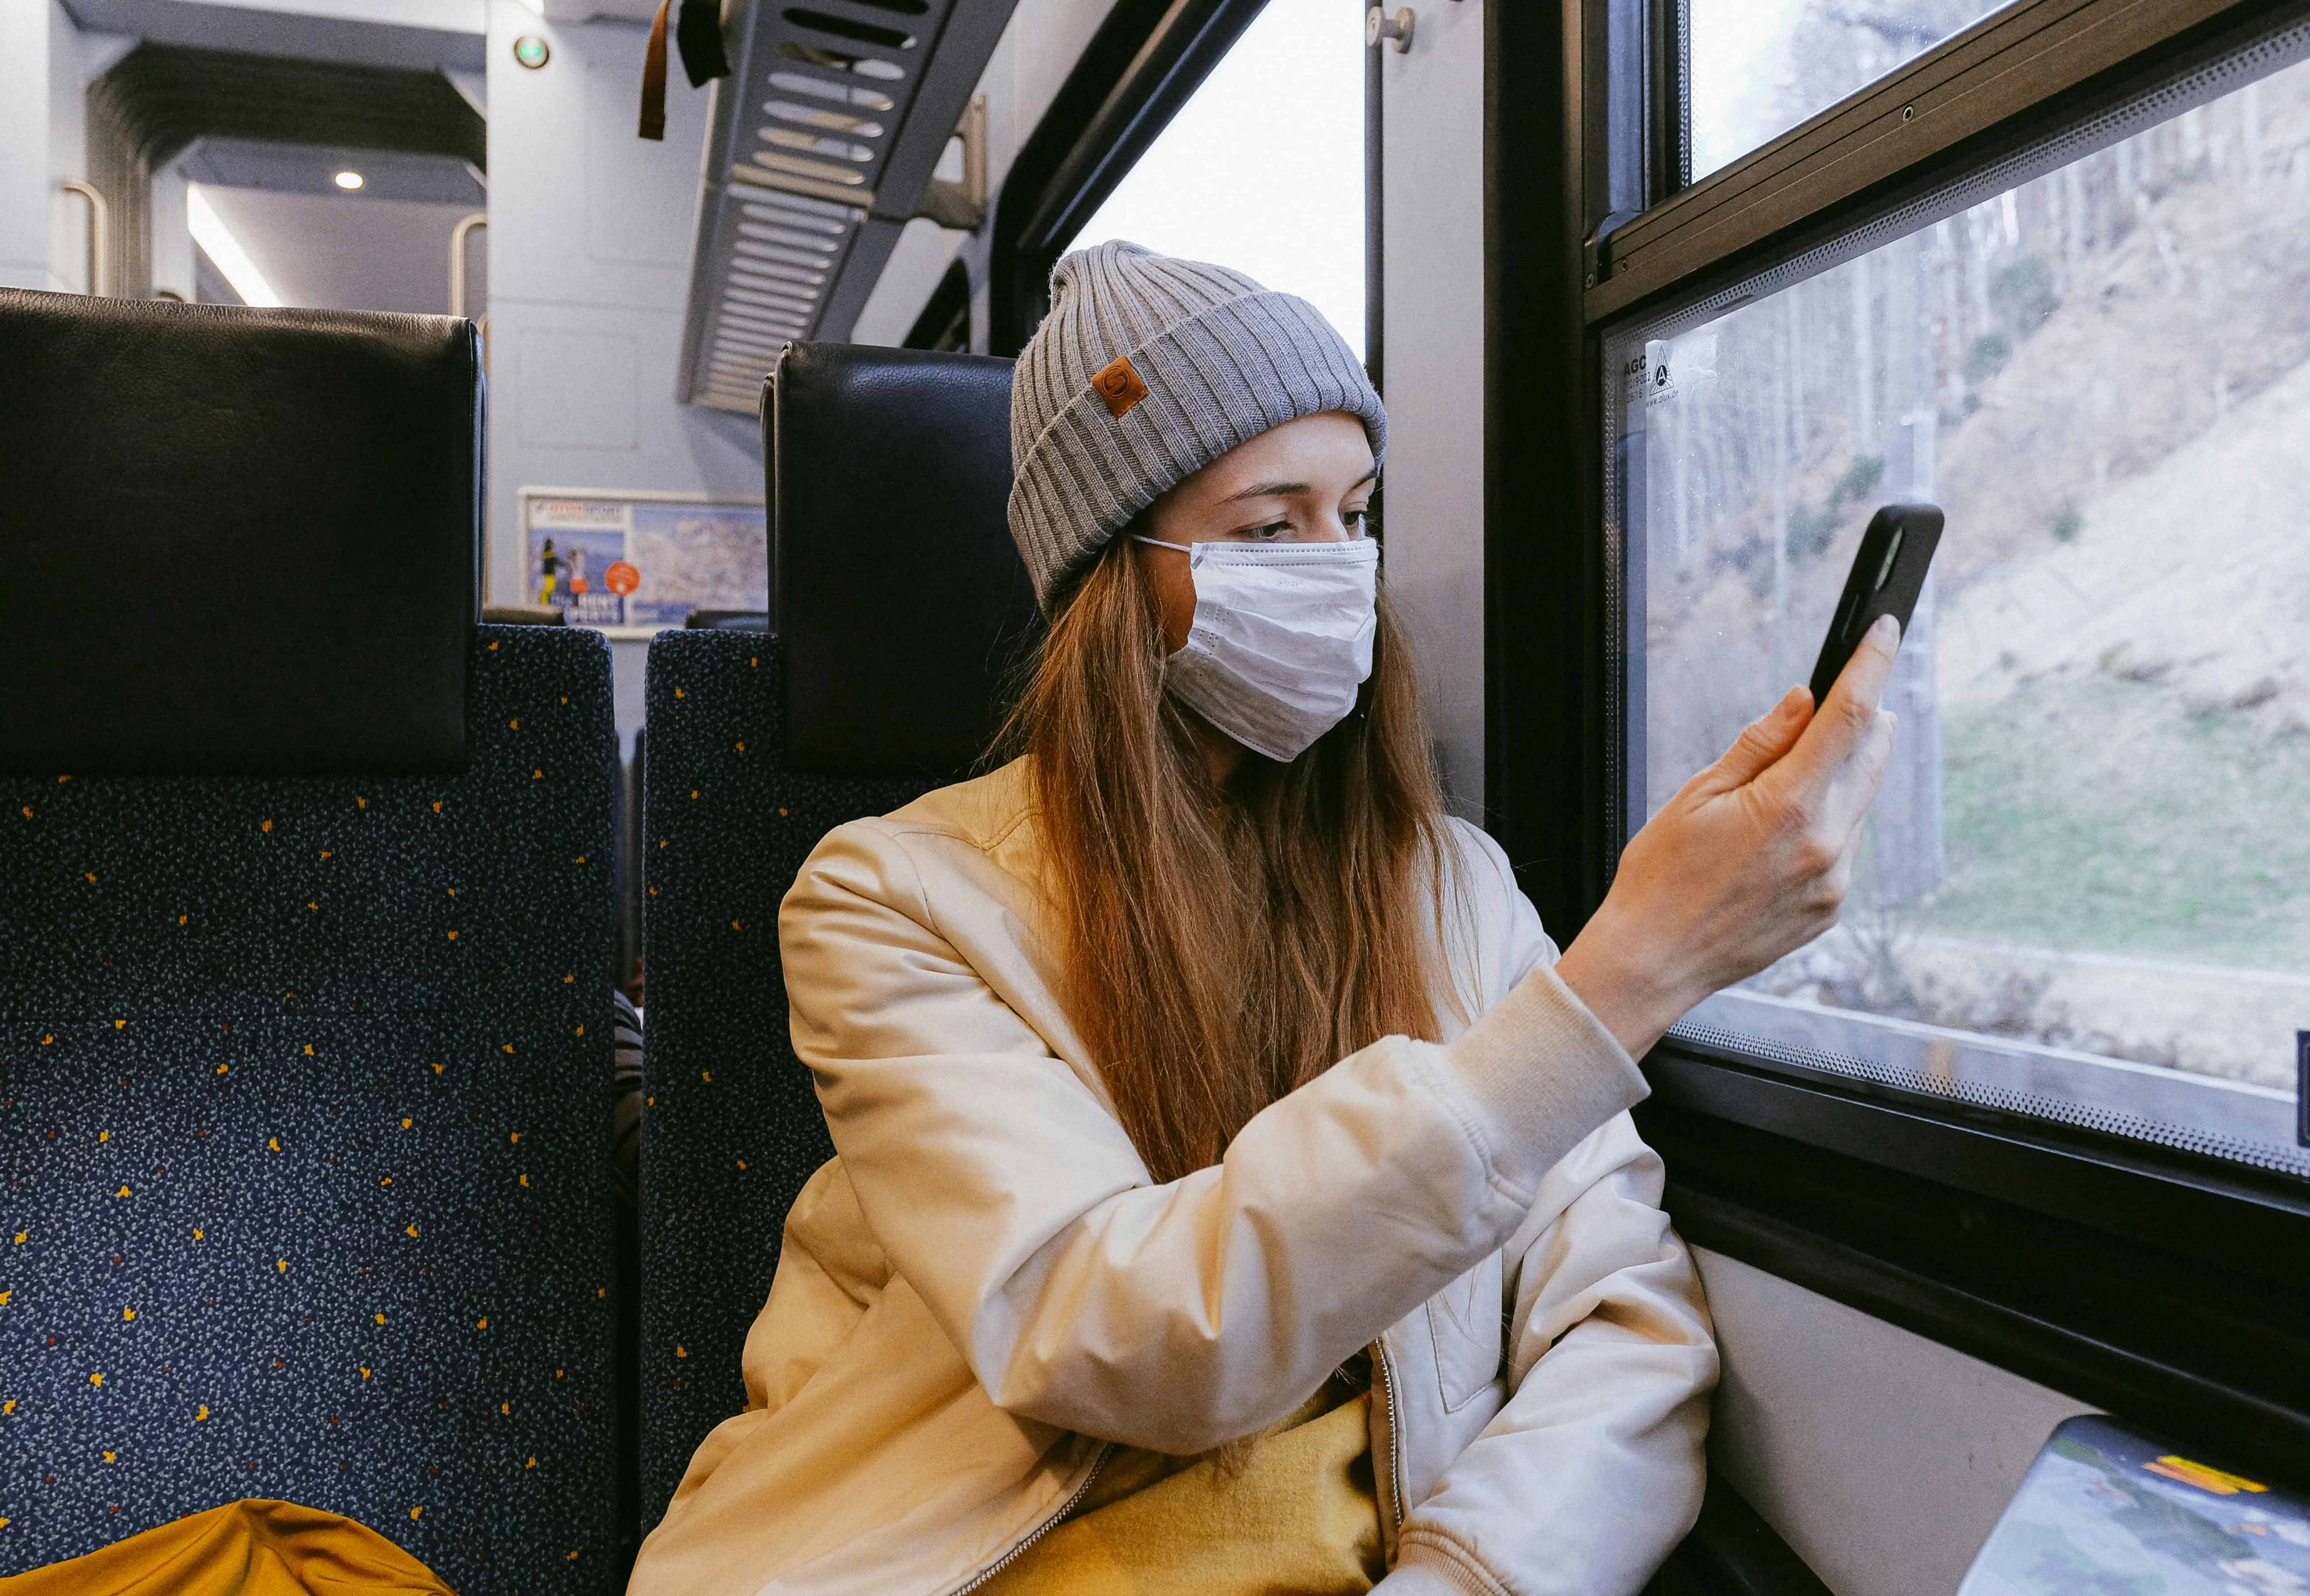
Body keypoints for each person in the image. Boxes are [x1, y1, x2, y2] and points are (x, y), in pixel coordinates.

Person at [627, 242, 1899, 1596]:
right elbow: (1110, 1331)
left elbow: (1626, 1317)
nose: (1337, 569)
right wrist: (1623, 983)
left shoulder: (1451, 886)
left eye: (1356, 514)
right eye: (1267, 527)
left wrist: (1468, 1578)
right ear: (1112, 579)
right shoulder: (894, 898)